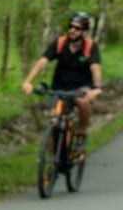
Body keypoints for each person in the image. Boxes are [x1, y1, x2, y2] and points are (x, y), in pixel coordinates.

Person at [22, 11, 102, 150]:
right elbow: (42, 61)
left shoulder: (90, 47)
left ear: (85, 31)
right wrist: (28, 81)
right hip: (60, 86)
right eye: (71, 26)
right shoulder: (59, 43)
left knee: (84, 103)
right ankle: (54, 160)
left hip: (81, 87)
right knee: (54, 120)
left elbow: (95, 68)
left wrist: (97, 88)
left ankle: (81, 133)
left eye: (77, 28)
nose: (72, 30)